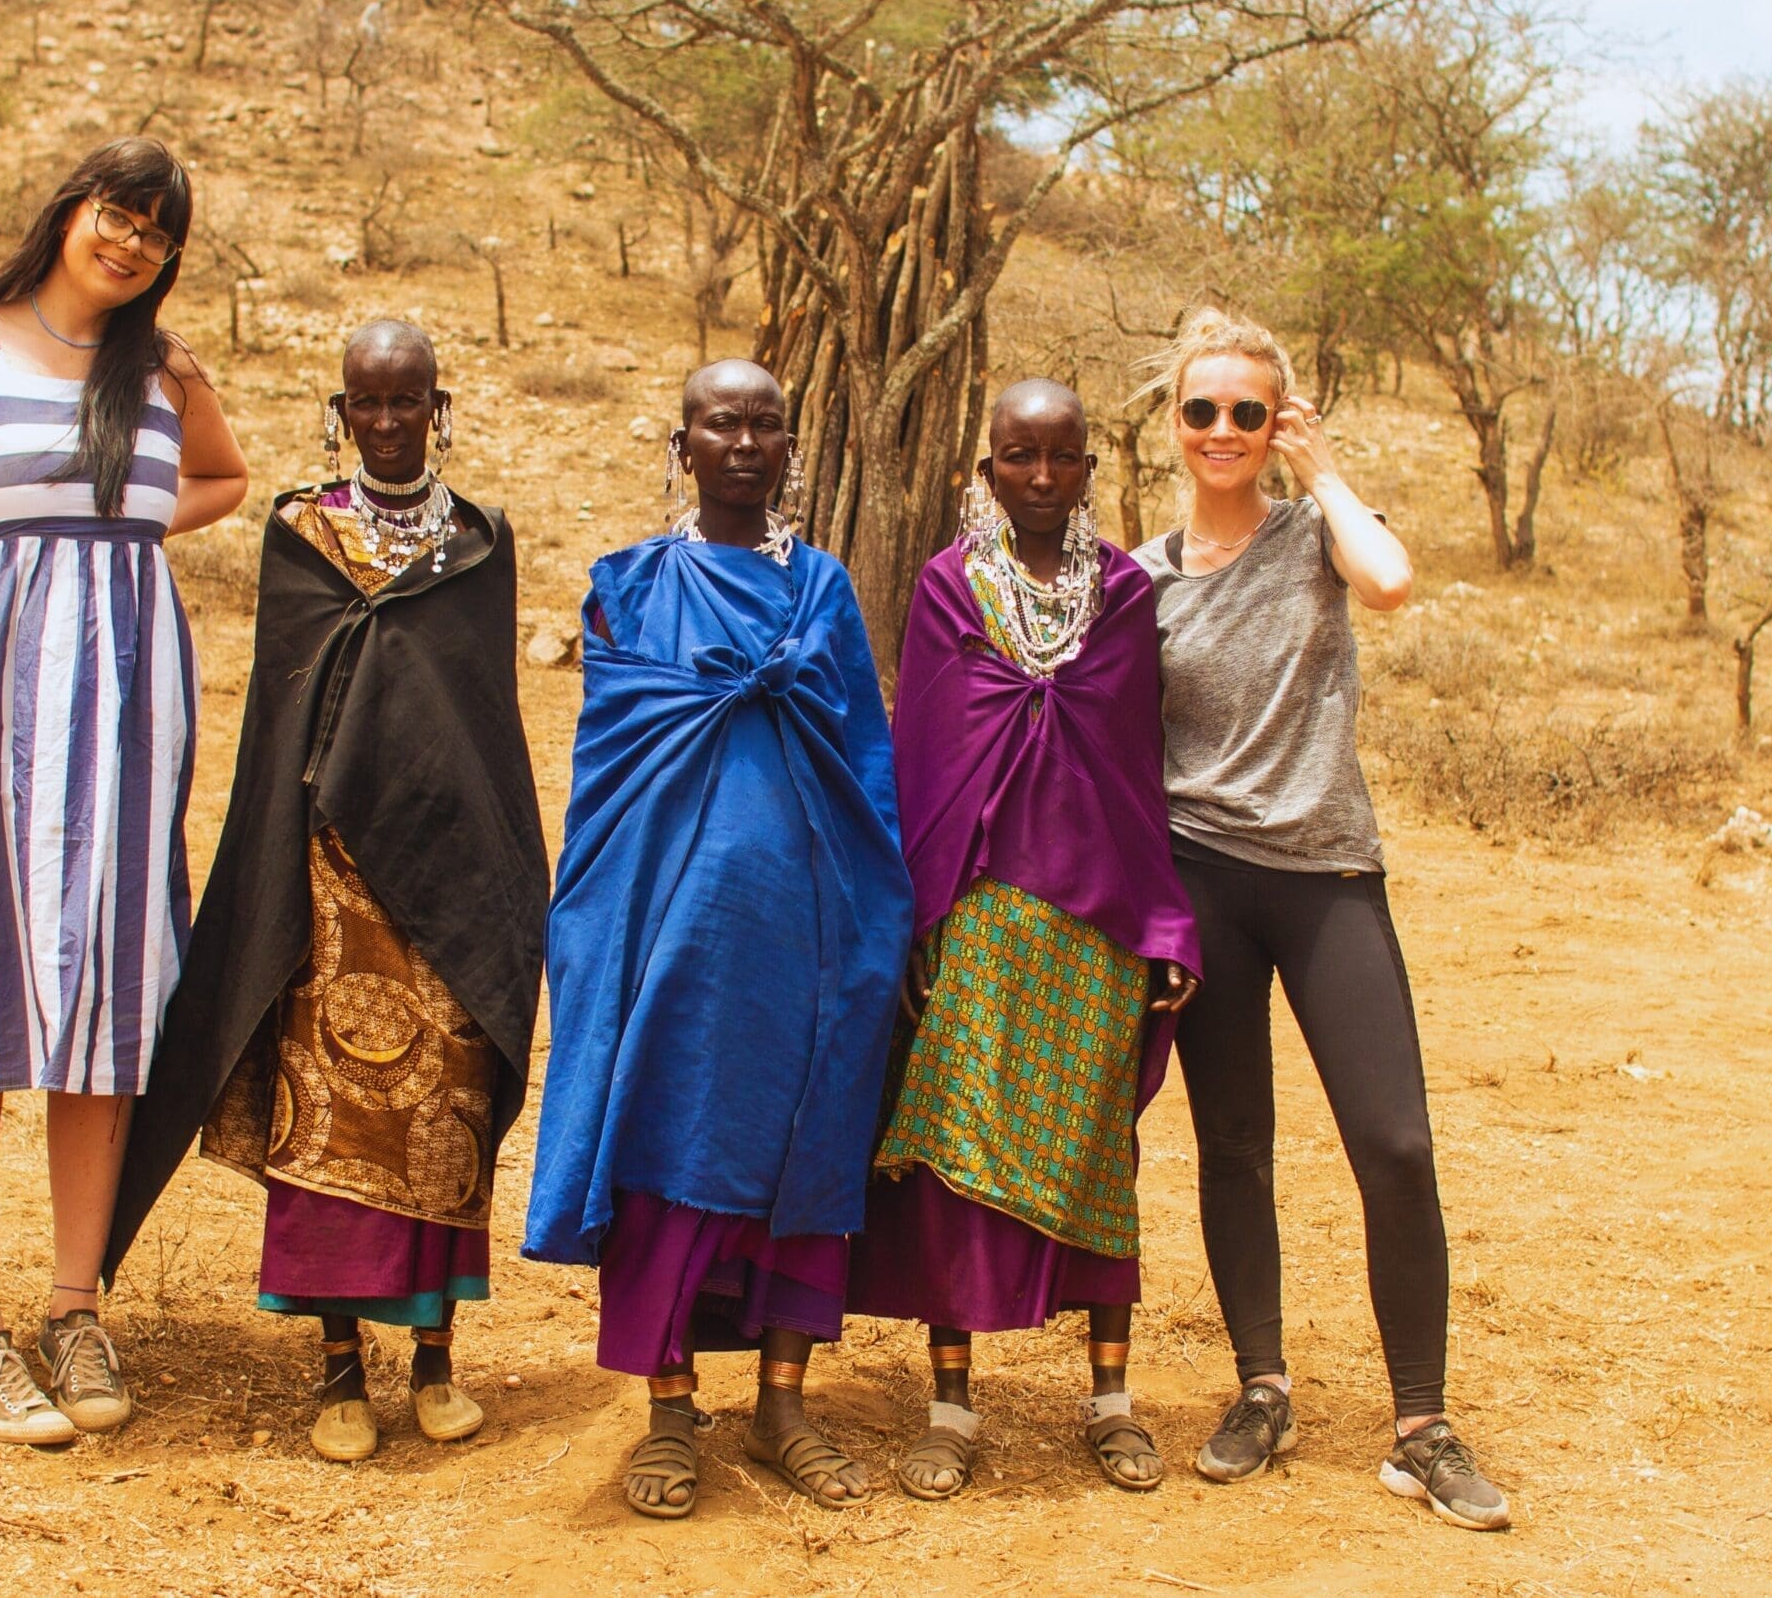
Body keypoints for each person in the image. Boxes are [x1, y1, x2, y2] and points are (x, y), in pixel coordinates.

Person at [0, 136, 249, 1445]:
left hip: (127, 715)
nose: (131, 244)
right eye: (116, 217)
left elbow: (225, 477)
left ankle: (78, 1302)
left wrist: (117, 532)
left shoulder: (164, 370)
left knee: (106, 1000)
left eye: (157, 234)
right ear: (68, 213)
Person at [104, 320, 548, 1465]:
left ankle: (440, 1357)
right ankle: (339, 1367)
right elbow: (283, 710)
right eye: (368, 402)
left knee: (442, 1107)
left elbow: (479, 720)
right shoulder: (301, 534)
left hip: (445, 879)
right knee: (332, 1113)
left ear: (437, 407)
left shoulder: (480, 541)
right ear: (340, 410)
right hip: (328, 878)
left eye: (409, 402)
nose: (388, 421)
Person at [1130, 308, 1509, 1530]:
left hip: (1326, 873)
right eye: (1202, 410)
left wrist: (1325, 469)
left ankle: (1420, 1422)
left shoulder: (1313, 539)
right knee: (1232, 1141)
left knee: (1392, 1141)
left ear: (1276, 419)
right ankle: (1260, 1385)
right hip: (1202, 882)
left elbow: (1392, 584)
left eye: (1248, 410)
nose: (1223, 430)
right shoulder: (1138, 578)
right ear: (1172, 425)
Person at [524, 360, 915, 1520]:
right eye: (720, 423)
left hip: (804, 924)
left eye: (765, 425)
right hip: (666, 931)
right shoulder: (631, 586)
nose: (744, 442)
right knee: (662, 1139)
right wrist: (601, 930)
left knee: (807, 1139)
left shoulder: (823, 590)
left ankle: (784, 1404)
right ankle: (669, 1406)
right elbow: (612, 770)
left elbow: (865, 761)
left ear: (789, 446)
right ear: (682, 442)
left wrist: (877, 920)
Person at [850, 379, 1201, 1501]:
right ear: (985, 467)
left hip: (1098, 919)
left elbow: (1136, 773)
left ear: (1089, 467)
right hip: (981, 912)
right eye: (1018, 457)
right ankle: (952, 1404)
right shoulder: (950, 588)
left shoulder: (1127, 592)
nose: (1042, 478)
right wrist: (913, 911)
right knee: (952, 1146)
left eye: (1062, 457)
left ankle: (1110, 1401)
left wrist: (1164, 918)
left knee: (1102, 1150)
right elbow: (927, 758)